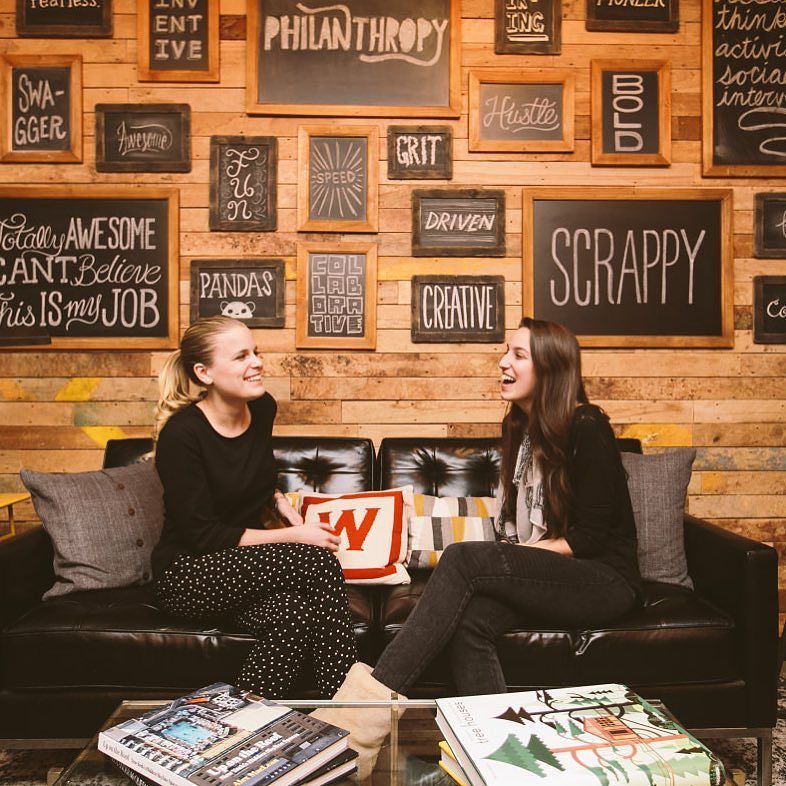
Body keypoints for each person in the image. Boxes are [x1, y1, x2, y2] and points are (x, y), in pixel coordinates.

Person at [316, 317, 642, 770]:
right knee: (470, 621)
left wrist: (507, 559)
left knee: (464, 559)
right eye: (506, 352)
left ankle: (356, 731)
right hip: (560, 575)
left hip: (604, 580)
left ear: (551, 368)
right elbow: (519, 528)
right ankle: (502, 758)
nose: (503, 362)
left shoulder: (586, 425)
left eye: (518, 355)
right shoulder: (523, 431)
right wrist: (511, 558)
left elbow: (588, 538)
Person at [151, 316, 357, 699]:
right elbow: (204, 535)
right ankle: (349, 702)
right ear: (204, 373)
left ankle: (243, 720)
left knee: (294, 615)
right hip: (189, 574)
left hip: (240, 573)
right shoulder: (181, 436)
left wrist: (280, 503)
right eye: (241, 356)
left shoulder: (261, 408)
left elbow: (254, 476)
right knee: (316, 560)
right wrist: (295, 535)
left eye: (256, 352)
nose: (257, 362)